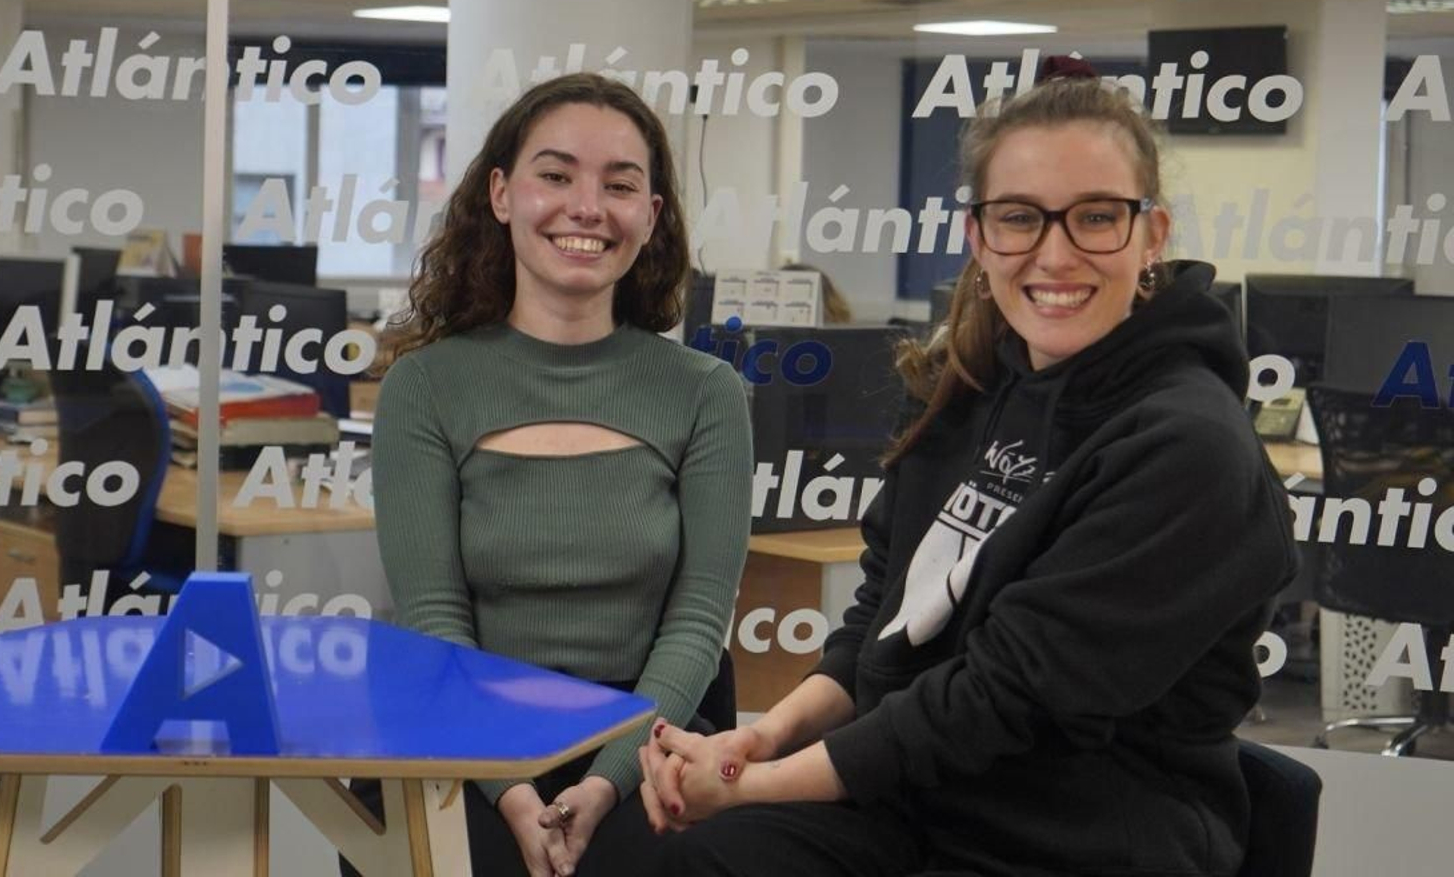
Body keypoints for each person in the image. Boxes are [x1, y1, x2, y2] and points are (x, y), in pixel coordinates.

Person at [638, 61, 1300, 877]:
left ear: (1151, 235)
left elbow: (1000, 699)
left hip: (1075, 842)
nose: (1055, 255)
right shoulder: (983, 383)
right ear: (978, 237)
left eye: (1096, 216)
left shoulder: (1187, 448)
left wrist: (762, 785)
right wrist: (765, 735)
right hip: (916, 805)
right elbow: (887, 611)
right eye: (1020, 217)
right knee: (668, 860)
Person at [369, 73, 752, 877]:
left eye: (620, 185)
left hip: (648, 734)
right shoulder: (426, 387)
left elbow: (696, 622)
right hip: (463, 729)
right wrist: (512, 789)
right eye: (556, 174)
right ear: (503, 194)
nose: (587, 206)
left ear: (649, 218)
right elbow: (434, 617)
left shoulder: (704, 393)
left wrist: (608, 783)